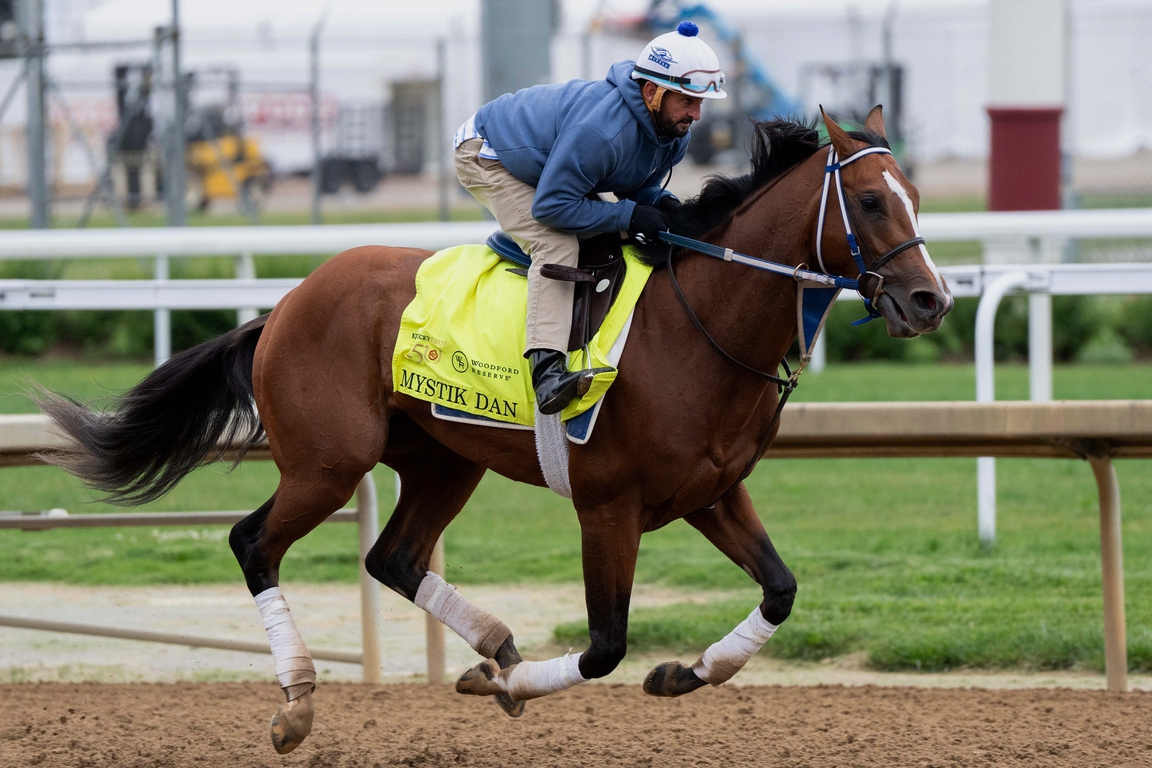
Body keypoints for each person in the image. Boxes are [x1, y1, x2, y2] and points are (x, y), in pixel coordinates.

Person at [453, 21, 726, 415]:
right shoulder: (602, 132)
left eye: (701, 102)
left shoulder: (672, 132)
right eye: (687, 100)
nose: (697, 114)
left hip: (552, 164)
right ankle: (547, 372)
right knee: (558, 240)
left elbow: (636, 184)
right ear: (652, 92)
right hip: (487, 153)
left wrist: (661, 205)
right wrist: (629, 215)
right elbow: (551, 207)